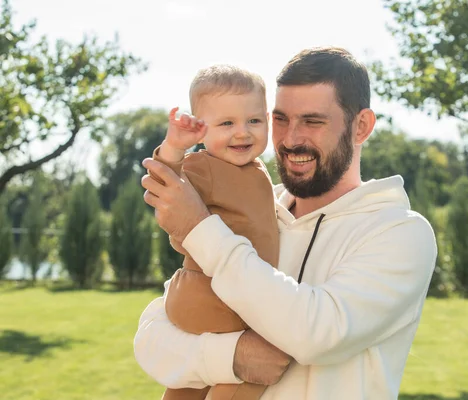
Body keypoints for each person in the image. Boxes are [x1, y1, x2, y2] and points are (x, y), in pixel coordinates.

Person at [136, 46, 437, 400]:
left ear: (361, 126)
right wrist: (231, 358)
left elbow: (317, 333)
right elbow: (152, 337)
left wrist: (199, 228)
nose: (291, 139)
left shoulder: (399, 232)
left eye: (312, 121)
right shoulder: (249, 204)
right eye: (280, 119)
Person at [147, 65, 281, 400]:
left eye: (253, 121)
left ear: (267, 119)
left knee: (190, 384)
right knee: (254, 367)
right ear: (201, 131)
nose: (242, 133)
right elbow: (169, 184)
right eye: (226, 124)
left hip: (212, 294)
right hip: (213, 295)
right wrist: (176, 147)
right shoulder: (205, 165)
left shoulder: (254, 168)